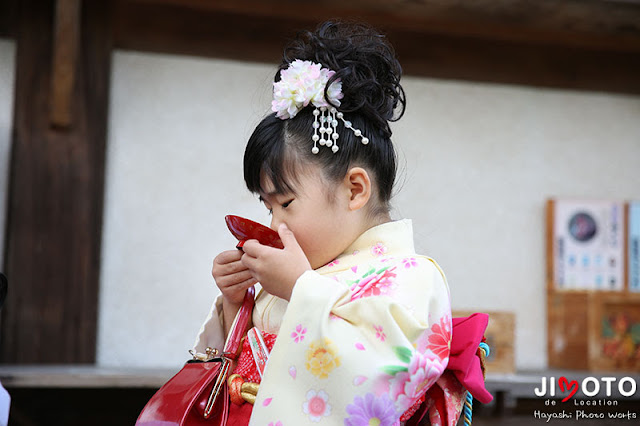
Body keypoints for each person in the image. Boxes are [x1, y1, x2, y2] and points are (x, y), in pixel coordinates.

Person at [194, 21, 458, 425]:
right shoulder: (305, 273)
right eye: (268, 207)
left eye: (286, 202)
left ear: (355, 190)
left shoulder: (411, 278)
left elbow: (377, 386)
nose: (275, 222)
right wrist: (237, 304)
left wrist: (301, 290)